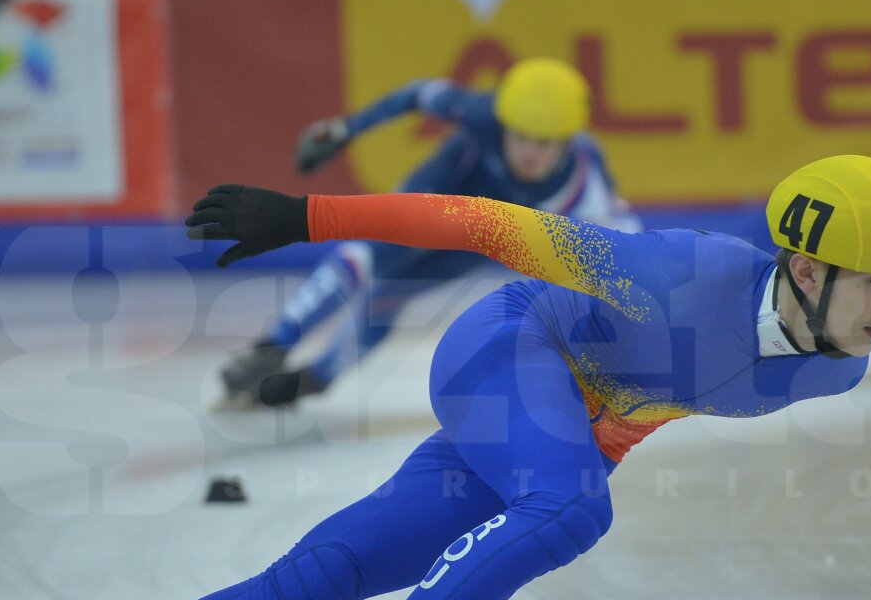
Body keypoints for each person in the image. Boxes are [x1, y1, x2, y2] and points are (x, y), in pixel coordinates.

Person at [0, 154, 871, 600]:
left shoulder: (834, 373)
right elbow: (480, 222)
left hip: (544, 428)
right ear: (807, 271)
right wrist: (306, 215)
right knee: (575, 507)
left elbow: (650, 403)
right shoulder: (676, 271)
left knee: (323, 574)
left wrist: (578, 449)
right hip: (506, 350)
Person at [216, 57, 640, 409]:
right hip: (443, 184)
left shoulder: (588, 189)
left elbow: (629, 255)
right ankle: (274, 346)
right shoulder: (482, 113)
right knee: (366, 252)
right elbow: (416, 94)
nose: (529, 153)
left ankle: (313, 379)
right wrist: (346, 130)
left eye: (544, 142)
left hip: (483, 231)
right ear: (503, 123)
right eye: (519, 136)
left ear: (569, 141)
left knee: (388, 296)